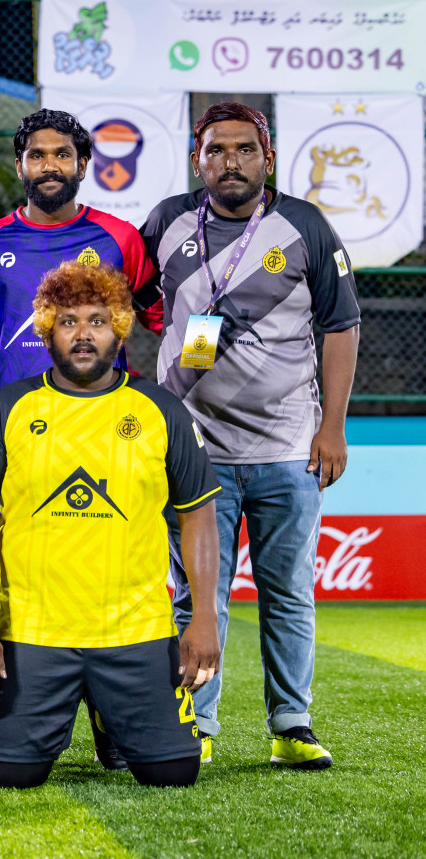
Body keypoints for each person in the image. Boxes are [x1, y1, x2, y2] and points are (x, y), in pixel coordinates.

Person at [142, 102, 360, 769]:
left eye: (243, 149)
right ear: (196, 158)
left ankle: (291, 725)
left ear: (267, 155)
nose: (229, 162)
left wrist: (332, 428)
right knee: (194, 596)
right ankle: (195, 725)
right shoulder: (165, 223)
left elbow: (342, 326)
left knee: (288, 590)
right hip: (195, 449)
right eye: (216, 150)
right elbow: (133, 311)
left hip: (290, 446)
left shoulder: (305, 227)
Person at [0, 260, 222, 788]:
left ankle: (113, 709)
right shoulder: (6, 410)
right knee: (8, 774)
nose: (83, 334)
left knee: (173, 772)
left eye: (98, 321)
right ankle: (71, 710)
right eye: (68, 322)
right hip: (33, 633)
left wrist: (202, 619)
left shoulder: (161, 410)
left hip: (135, 629)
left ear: (121, 329)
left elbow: (198, 514)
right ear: (46, 329)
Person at [0, 108, 160, 391]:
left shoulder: (120, 237)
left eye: (62, 155)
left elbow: (161, 318)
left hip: (99, 412)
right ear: (20, 167)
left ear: (81, 166)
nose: (49, 166)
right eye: (37, 155)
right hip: (16, 410)